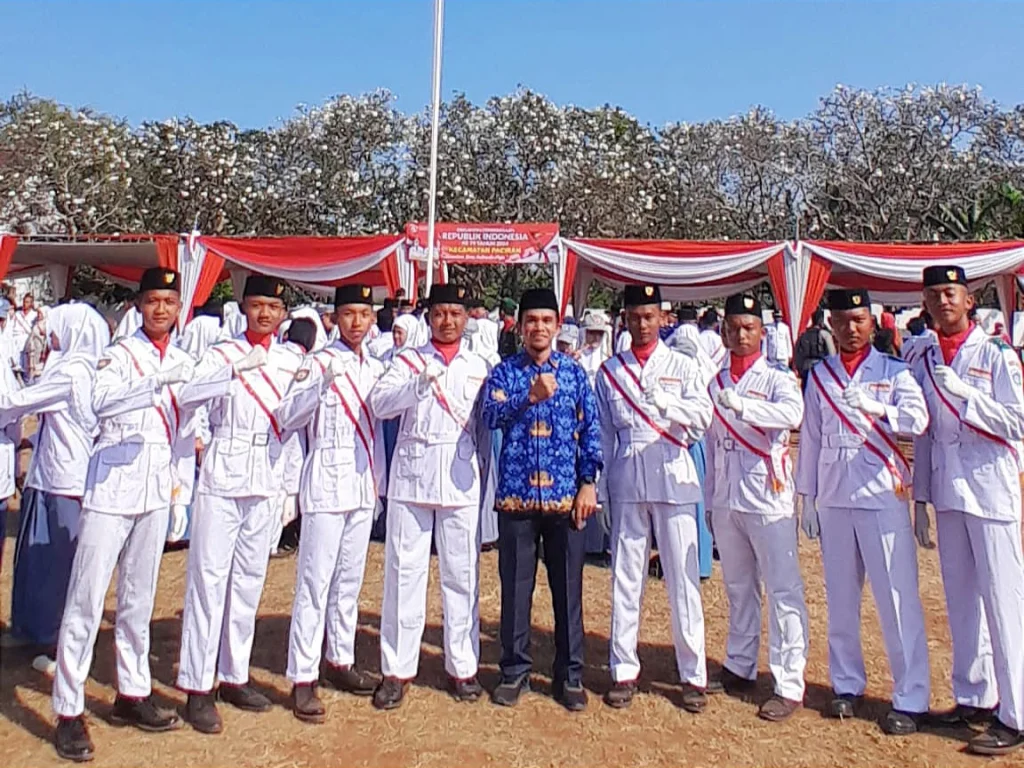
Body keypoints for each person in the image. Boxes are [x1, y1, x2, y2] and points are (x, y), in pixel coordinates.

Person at [51, 268, 194, 762]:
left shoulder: (181, 358)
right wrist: (153, 380)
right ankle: (68, 709)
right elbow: (99, 403)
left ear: (179, 309)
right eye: (153, 300)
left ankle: (132, 692)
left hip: (154, 488)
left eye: (169, 302)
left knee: (139, 598)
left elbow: (183, 432)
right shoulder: (117, 354)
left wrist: (180, 494)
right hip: (111, 487)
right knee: (87, 601)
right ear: (138, 305)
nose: (161, 310)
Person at [796, 288, 931, 735]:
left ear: (872, 323)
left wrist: (881, 408)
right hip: (835, 495)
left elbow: (917, 420)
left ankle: (910, 695)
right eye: (841, 320)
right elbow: (811, 440)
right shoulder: (821, 378)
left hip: (880, 493)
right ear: (830, 326)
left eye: (858, 320)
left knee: (896, 598)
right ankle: (846, 683)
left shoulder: (895, 372)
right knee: (840, 599)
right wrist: (807, 496)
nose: (850, 328)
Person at [175, 275, 297, 734]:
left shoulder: (290, 359)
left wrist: (289, 487)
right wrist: (233, 372)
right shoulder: (221, 354)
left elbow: (293, 426)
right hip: (224, 469)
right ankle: (197, 684)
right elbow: (190, 400)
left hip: (265, 470)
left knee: (248, 580)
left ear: (283, 314)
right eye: (258, 305)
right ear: (243, 308)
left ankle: (234, 673)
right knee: (208, 580)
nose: (265, 314)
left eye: (274, 307)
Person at [912, 265, 1024, 755]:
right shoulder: (924, 354)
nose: (942, 302)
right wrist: (919, 497)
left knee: (1004, 603)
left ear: (969, 299)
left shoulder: (996, 355)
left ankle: (1017, 713)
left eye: (950, 293)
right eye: (934, 295)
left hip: (991, 490)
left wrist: (970, 398)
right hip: (949, 492)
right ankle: (975, 696)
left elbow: (1018, 422)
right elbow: (924, 434)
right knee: (961, 603)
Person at [368, 284, 492, 710]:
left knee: (462, 574)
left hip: (459, 475)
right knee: (404, 574)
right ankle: (396, 670)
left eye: (456, 313)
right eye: (440, 313)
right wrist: (417, 386)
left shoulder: (480, 364)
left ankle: (463, 667)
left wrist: (483, 474)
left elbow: (484, 427)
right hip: (413, 475)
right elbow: (380, 403)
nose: (448, 321)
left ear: (466, 317)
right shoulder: (407, 360)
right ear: (428, 316)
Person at [483, 287, 601, 712]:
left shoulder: (573, 374)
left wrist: (589, 482)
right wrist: (527, 396)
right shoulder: (503, 373)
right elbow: (489, 417)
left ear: (556, 326)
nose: (538, 328)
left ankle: (569, 675)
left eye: (546, 321)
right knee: (515, 590)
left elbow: (591, 432)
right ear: (520, 325)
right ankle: (514, 671)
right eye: (531, 320)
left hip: (564, 500)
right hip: (516, 499)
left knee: (568, 591)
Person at [595, 284, 712, 713]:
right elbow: (605, 435)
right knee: (626, 576)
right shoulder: (609, 371)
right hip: (628, 476)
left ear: (663, 319)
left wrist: (669, 406)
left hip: (673, 472)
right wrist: (605, 488)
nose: (642, 324)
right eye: (634, 316)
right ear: (624, 319)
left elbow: (702, 420)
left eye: (649, 316)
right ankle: (623, 668)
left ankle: (693, 674)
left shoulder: (683, 366)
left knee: (682, 580)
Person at [278, 285, 386, 723]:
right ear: (334, 318)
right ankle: (303, 675)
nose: (356, 322)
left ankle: (340, 658)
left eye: (364, 313)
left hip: (361, 482)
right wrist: (317, 387)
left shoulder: (377, 368)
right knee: (315, 582)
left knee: (349, 580)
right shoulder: (316, 363)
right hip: (325, 479)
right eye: (348, 314)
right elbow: (287, 416)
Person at [704, 293, 808, 722]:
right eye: (734, 327)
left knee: (783, 589)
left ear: (762, 333)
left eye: (749, 328)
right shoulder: (715, 380)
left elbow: (793, 414)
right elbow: (711, 445)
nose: (741, 335)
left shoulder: (777, 377)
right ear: (724, 331)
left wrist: (744, 406)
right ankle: (740, 663)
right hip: (728, 493)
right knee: (738, 585)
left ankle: (789, 681)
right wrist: (710, 499)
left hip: (768, 494)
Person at [9, 305, 111, 661]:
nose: (50, 338)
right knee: (40, 556)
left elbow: (16, 403)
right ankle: (33, 630)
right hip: (52, 475)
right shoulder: (92, 369)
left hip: (65, 480)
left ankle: (52, 638)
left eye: (55, 331)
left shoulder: (68, 372)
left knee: (56, 561)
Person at [269, 317, 319, 559]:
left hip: (267, 428)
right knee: (287, 486)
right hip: (292, 431)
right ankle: (276, 539)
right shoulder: (306, 363)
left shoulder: (272, 354)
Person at [793, 309, 836, 391]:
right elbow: (832, 353)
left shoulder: (803, 335)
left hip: (805, 367)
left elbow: (797, 354)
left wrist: (799, 369)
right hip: (820, 367)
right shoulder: (825, 334)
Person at [9, 293, 40, 378]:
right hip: (15, 338)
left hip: (27, 338)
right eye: (24, 301)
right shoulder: (17, 314)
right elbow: (11, 326)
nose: (24, 304)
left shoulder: (34, 315)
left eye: (27, 302)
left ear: (31, 303)